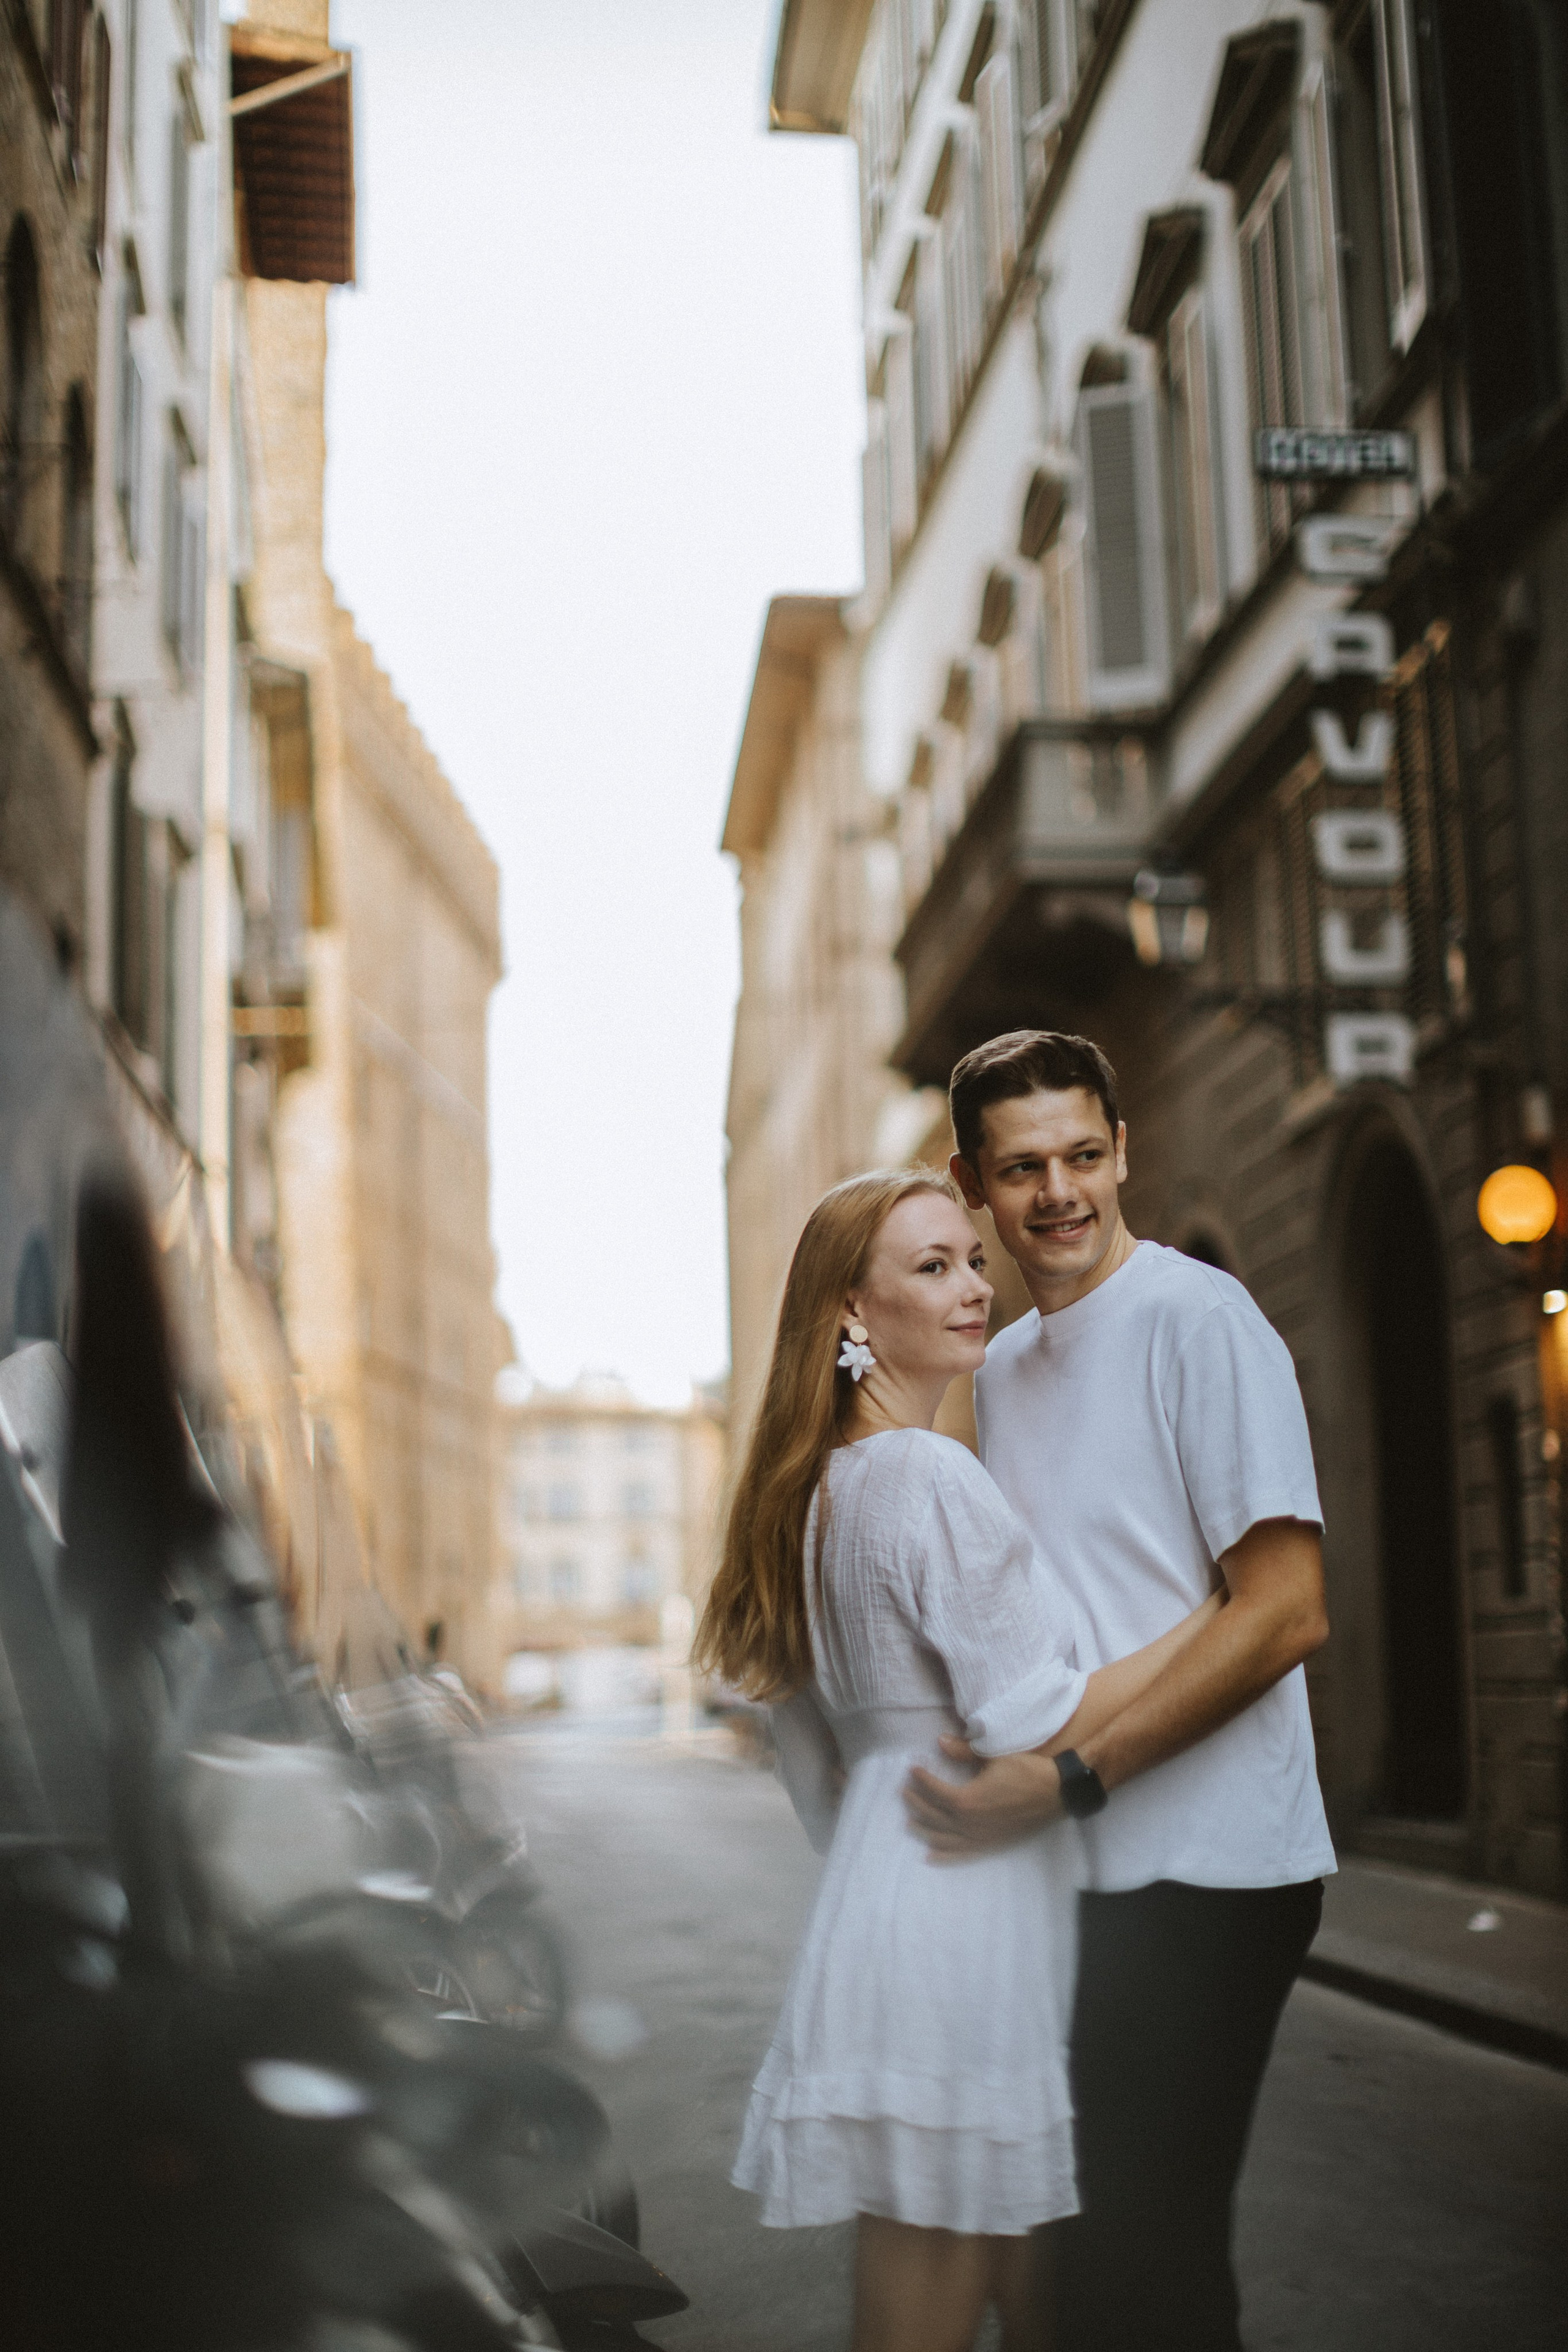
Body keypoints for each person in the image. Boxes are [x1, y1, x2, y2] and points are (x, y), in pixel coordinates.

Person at [696, 1167, 1225, 2352]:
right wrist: (1212, 1625)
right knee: (939, 2302)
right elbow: (1033, 1720)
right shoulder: (929, 1477)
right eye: (931, 1268)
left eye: (970, 1259)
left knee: (1018, 2288)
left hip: (900, 1887)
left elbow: (812, 1769)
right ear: (850, 1311)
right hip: (966, 1906)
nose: (976, 1286)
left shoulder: (816, 1492)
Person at [905, 1030, 1333, 2352]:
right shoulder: (1008, 1367)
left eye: (1082, 1155)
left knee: (1144, 2255)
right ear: (973, 1183)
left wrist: (1073, 1775)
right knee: (1077, 2266)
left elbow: (1281, 1609)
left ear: (1121, 1151)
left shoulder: (1200, 1322)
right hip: (1077, 1872)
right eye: (1022, 1167)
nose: (1059, 1194)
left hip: (1213, 1869)